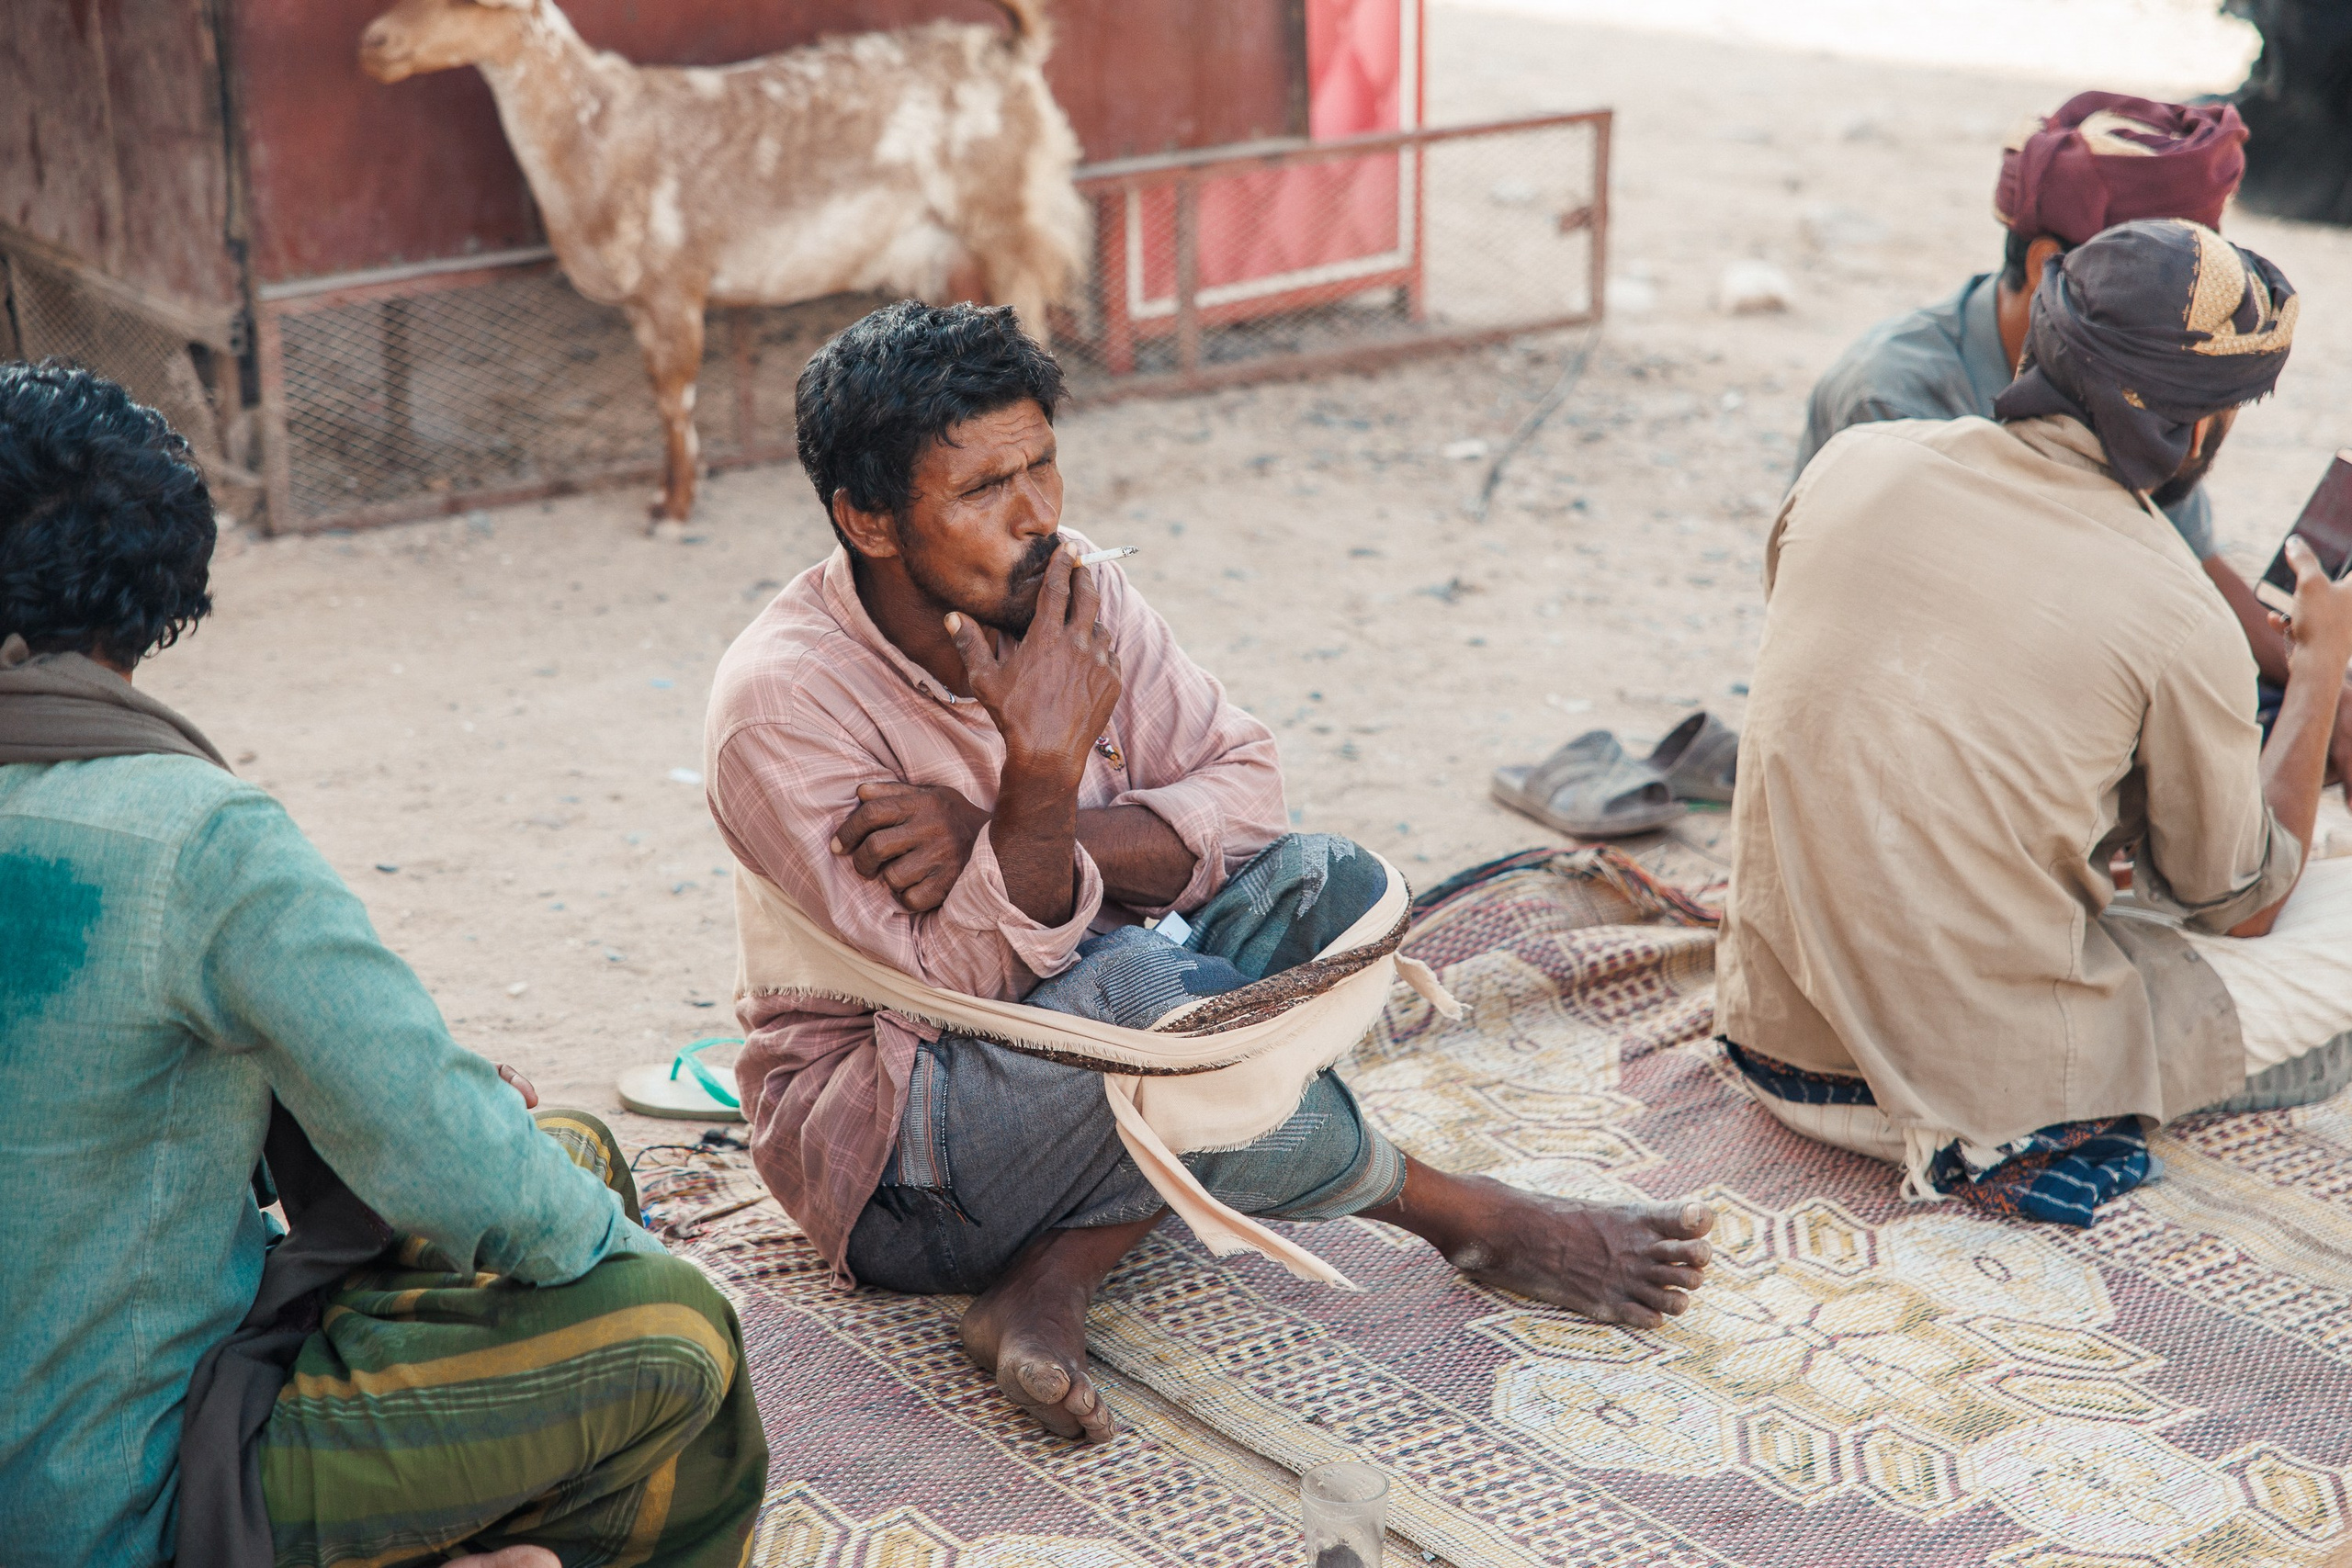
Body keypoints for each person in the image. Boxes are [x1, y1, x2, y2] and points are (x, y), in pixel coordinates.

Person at [707, 300, 1717, 1442]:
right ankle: (1457, 1216)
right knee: (1158, 997)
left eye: (1043, 465)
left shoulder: (1070, 589)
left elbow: (1245, 796)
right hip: (911, 1146)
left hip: (1103, 1043)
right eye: (985, 492)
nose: (1038, 516)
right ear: (869, 520)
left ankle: (1056, 1277)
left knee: (1322, 886)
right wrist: (1040, 775)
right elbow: (966, 988)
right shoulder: (781, 705)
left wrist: (1011, 824)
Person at [0, 364, 767, 1568]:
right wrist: (595, 1232)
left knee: (572, 1149)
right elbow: (463, 1167)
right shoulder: (191, 834)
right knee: (671, 1327)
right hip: (116, 1498)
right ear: (155, 601)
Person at [1723, 220, 2352, 1224]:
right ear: (2191, 428)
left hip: (1768, 1034)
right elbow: (2240, 905)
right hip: (1953, 1097)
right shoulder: (2171, 600)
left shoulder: (1853, 463)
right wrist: (2318, 667)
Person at [1795, 91, 2352, 782]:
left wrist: (2319, 675)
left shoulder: (2131, 378)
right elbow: (1948, 656)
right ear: (2044, 267)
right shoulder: (1894, 400)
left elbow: (2192, 561)